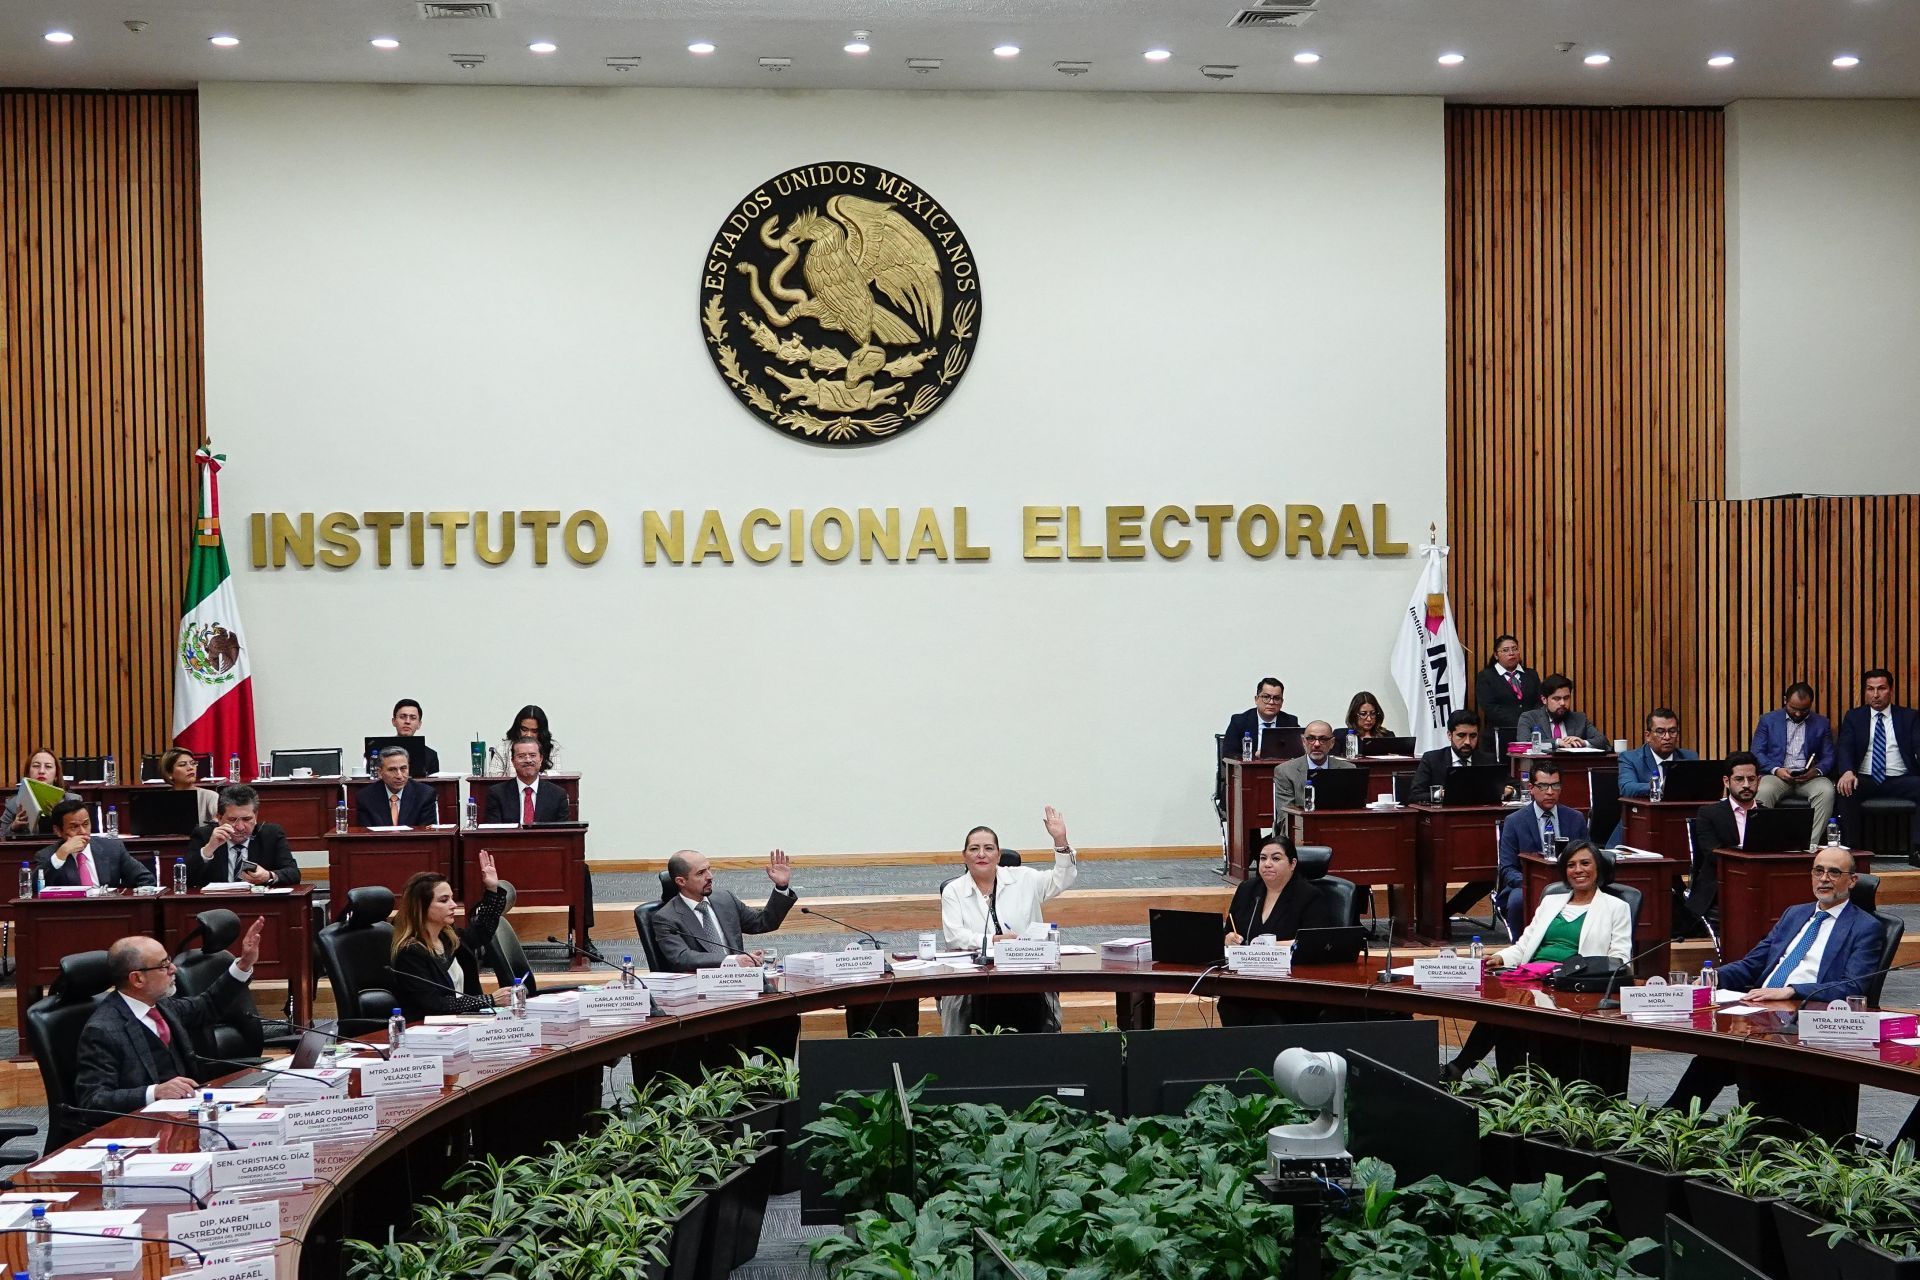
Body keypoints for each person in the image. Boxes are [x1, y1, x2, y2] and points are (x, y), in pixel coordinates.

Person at [1664, 847, 1882, 1112]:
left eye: (1834, 872)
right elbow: (1754, 963)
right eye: (1818, 870)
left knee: (1734, 1057)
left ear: (1852, 881)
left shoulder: (1865, 927)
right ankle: (1670, 1125)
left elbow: (1853, 986)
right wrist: (1712, 978)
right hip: (1760, 1008)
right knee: (1715, 1053)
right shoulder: (1795, 914)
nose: (1824, 878)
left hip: (1802, 1016)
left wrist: (1791, 991)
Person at [1445, 841, 1631, 1081]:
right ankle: (1506, 1086)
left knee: (1508, 1015)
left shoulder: (1616, 907)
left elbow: (1620, 959)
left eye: (1585, 863)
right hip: (1531, 978)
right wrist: (1501, 957)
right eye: (1571, 865)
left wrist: (1577, 971)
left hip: (1570, 984)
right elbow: (1525, 945)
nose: (1578, 870)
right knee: (1503, 1011)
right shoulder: (1551, 901)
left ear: (1599, 869)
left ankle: (1462, 1068)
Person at [74, 916, 265, 1111]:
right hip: (141, 1128)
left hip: (185, 1112)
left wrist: (243, 965)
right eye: (164, 965)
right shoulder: (102, 1030)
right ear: (137, 979)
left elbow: (207, 1006)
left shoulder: (162, 1006)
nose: (173, 969)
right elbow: (93, 1100)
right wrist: (153, 1093)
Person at [939, 808, 1078, 1034]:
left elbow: (1062, 879)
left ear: (999, 855)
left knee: (1030, 1006)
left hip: (1024, 975)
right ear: (964, 856)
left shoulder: (1023, 879)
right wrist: (995, 940)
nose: (981, 854)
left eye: (988, 848)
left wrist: (1060, 840)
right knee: (967, 1003)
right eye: (974, 849)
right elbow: (955, 936)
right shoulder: (954, 891)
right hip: (977, 979)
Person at [1218, 835, 1338, 1027]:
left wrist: (1271, 945)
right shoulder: (1247, 890)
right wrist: (1229, 939)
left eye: (1276, 858)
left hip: (1290, 986)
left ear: (1292, 863)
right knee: (1230, 1004)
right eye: (1263, 858)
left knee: (1266, 1014)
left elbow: (1315, 942)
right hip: (1248, 979)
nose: (1267, 864)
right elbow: (1228, 930)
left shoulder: (1309, 896)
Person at [389, 851, 510, 1019]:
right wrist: (488, 999)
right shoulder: (410, 953)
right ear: (421, 907)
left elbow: (482, 931)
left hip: (462, 1023)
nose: (453, 905)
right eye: (444, 900)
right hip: (428, 1032)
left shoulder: (448, 939)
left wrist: (491, 888)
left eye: (452, 899)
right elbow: (433, 1004)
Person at [653, 848, 797, 973]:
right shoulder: (666, 918)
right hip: (700, 988)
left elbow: (763, 922)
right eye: (701, 873)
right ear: (681, 881)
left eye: (709, 869)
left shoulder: (725, 899)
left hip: (740, 981)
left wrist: (782, 887)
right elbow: (682, 958)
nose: (710, 876)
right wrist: (734, 960)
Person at [1494, 763, 1589, 935]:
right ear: (1531, 788)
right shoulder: (1514, 822)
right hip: (1525, 884)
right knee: (1518, 901)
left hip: (1569, 882)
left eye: (1555, 785)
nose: (1550, 792)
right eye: (1543, 786)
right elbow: (1507, 868)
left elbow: (1588, 859)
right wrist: (1532, 883)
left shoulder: (1575, 819)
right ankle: (1520, 950)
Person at [1835, 668, 1920, 850]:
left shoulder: (1909, 717)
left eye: (1881, 688)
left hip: (1900, 778)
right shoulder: (1854, 717)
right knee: (1844, 789)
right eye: (1870, 689)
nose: (1876, 695)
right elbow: (1845, 747)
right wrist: (1847, 771)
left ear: (1890, 690)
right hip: (1865, 778)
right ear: (1865, 691)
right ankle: (1852, 851)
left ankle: (1917, 849)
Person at [1751, 681, 1837, 849]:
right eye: (1793, 708)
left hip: (1809, 778)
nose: (1798, 713)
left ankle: (1809, 846)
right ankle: (1763, 845)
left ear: (1810, 705)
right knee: (1763, 791)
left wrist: (1816, 771)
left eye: (1804, 710)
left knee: (1826, 791)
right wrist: (1776, 770)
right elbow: (1757, 752)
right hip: (1776, 775)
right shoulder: (1768, 720)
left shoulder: (1822, 723)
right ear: (1785, 700)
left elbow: (1829, 757)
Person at [1684, 752, 1762, 923]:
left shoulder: (1769, 814)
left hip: (1762, 883)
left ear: (1759, 780)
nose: (1746, 785)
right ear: (1727, 781)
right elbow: (1713, 854)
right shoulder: (1709, 814)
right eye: (1739, 779)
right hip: (1723, 885)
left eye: (1751, 779)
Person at [1609, 708, 1697, 843]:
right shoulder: (1630, 758)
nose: (1667, 737)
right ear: (1648, 735)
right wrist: (1661, 786)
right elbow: (1627, 788)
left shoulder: (1689, 757)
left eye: (1672, 731)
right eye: (1660, 732)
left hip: (1678, 825)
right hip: (1639, 825)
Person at [188, 783, 301, 888]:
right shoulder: (204, 835)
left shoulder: (271, 834)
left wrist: (268, 876)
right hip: (217, 905)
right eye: (232, 820)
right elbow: (186, 879)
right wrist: (209, 849)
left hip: (258, 904)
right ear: (219, 817)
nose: (240, 827)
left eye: (247, 819)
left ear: (255, 816)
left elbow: (294, 874)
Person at [37, 799, 155, 889]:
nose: (83, 832)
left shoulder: (112, 848)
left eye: (86, 824)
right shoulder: (48, 856)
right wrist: (61, 855)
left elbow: (146, 879)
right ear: (58, 830)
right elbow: (36, 889)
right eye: (74, 827)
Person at [1409, 710, 1498, 800]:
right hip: (1444, 813)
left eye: (1473, 736)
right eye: (1461, 735)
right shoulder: (1432, 760)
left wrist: (1509, 790)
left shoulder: (1488, 760)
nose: (1467, 742)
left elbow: (1511, 786)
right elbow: (1414, 796)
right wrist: (1440, 794)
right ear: (1449, 735)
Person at [1271, 722, 1356, 813]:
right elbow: (1285, 815)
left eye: (1323, 739)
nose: (1316, 744)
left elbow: (1354, 810)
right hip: (1303, 825)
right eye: (1311, 739)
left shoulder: (1348, 769)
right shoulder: (1285, 771)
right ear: (1304, 742)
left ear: (1332, 743)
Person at [1473, 634, 1541, 741]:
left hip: (1531, 733)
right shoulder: (1486, 676)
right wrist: (1521, 723)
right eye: (1505, 650)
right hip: (1500, 734)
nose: (1511, 653)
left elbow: (1539, 702)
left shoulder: (1531, 675)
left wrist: (1530, 723)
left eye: (1514, 649)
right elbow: (1490, 707)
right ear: (1496, 655)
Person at [485, 738, 567, 824]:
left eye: (532, 755)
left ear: (541, 759)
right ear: (513, 761)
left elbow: (564, 833)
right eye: (521, 756)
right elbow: (494, 832)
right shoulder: (497, 793)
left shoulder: (558, 794)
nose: (528, 760)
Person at [4, 749, 82, 841]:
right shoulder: (13, 804)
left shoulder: (73, 801)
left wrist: (59, 816)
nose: (41, 771)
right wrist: (13, 827)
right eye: (36, 766)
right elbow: (1, 834)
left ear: (56, 775)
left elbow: (82, 834)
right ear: (28, 772)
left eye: (48, 766)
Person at [1515, 675, 1609, 750]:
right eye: (1557, 699)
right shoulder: (1529, 718)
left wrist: (1583, 742)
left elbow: (1603, 741)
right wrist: (1556, 742)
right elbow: (1524, 743)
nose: (1563, 703)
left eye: (1566, 698)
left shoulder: (1580, 718)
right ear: (1544, 699)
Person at [355, 746, 439, 827]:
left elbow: (427, 833)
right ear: (380, 773)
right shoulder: (366, 797)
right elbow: (366, 834)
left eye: (403, 768)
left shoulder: (425, 795)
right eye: (392, 769)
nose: (399, 775)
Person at [1221, 678, 1300, 762]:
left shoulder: (1290, 722)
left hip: (1281, 771)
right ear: (1256, 699)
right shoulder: (1239, 721)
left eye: (1276, 698)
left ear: (1282, 702)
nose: (1271, 702)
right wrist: (1255, 756)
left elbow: (1299, 754)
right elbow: (1228, 755)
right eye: (1266, 697)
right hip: (1250, 771)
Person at [158, 748, 219, 826]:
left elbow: (220, 823)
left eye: (193, 763)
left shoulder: (210, 796)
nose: (190, 768)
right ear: (169, 773)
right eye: (182, 765)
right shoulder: (162, 800)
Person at [389, 698, 441, 774]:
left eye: (413, 718)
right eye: (403, 717)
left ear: (419, 724)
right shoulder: (378, 751)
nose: (407, 721)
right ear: (394, 721)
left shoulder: (430, 755)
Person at [504, 705, 556, 771]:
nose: (528, 735)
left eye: (534, 731)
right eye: (524, 729)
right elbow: (494, 779)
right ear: (517, 728)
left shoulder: (552, 749)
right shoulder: (503, 748)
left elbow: (557, 779)